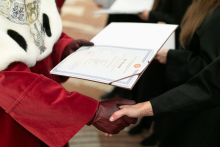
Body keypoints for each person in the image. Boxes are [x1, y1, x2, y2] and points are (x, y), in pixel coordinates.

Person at [0, 0, 137, 147]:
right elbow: (10, 82)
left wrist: (64, 48)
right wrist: (91, 111)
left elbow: (36, 32)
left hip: (43, 98)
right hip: (12, 116)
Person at [110, 54, 220, 147]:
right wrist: (142, 108)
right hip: (180, 93)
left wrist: (172, 55)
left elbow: (208, 85)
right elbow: (209, 85)